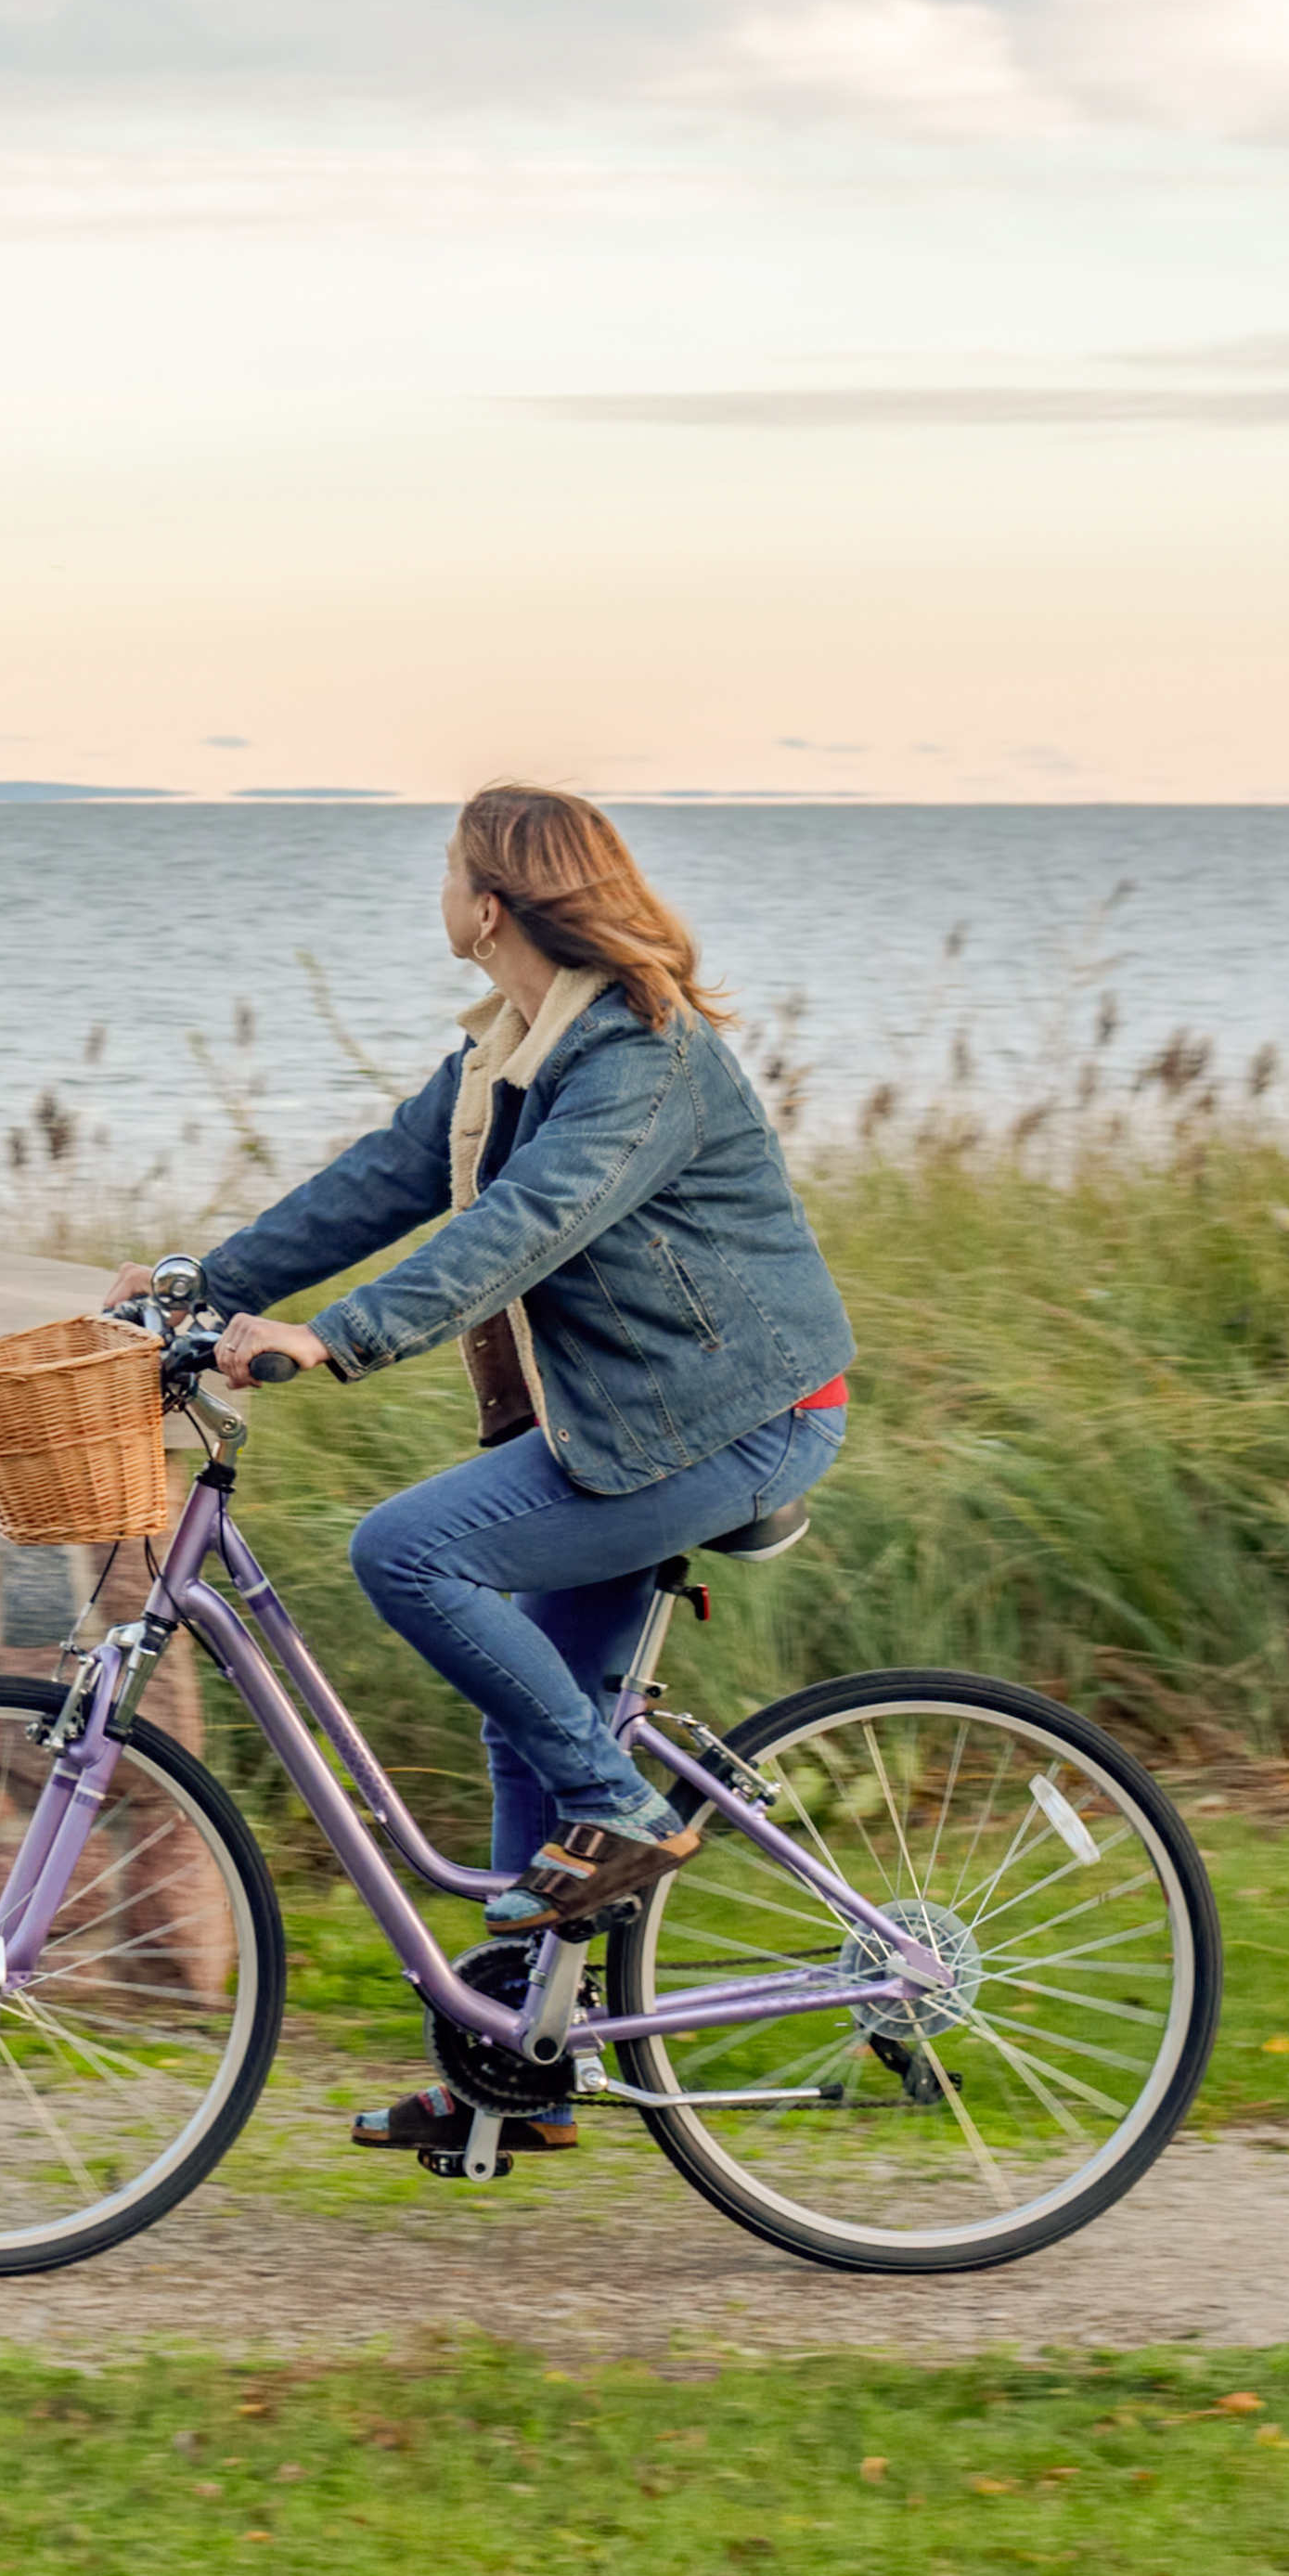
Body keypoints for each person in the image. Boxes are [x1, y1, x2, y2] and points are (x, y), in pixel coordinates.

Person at [194, 783, 855, 2157]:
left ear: (487, 905)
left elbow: (522, 1225)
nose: (434, 892)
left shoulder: (637, 1056)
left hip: (732, 1419)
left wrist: (334, 1339)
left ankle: (620, 1811)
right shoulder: (508, 1048)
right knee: (527, 1711)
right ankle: (521, 2066)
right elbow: (382, 1180)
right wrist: (201, 1286)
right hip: (629, 1422)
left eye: (445, 871)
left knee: (410, 1551)